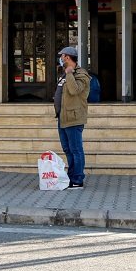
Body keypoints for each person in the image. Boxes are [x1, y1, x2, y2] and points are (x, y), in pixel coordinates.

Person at [53, 46, 90, 189]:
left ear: (67, 57)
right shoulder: (64, 74)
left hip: (74, 118)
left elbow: (74, 90)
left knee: (76, 149)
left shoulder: (81, 74)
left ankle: (78, 179)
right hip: (63, 117)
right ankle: (71, 176)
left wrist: (69, 73)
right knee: (67, 149)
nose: (60, 59)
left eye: (62, 57)